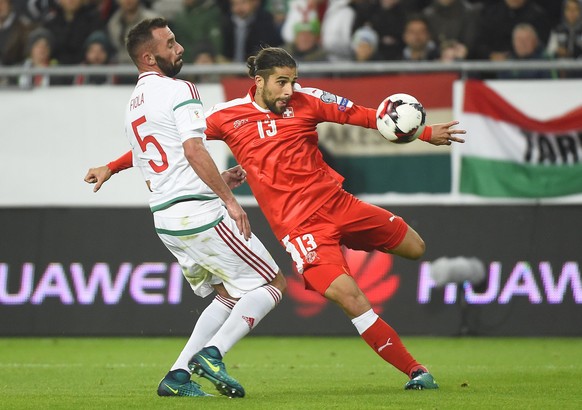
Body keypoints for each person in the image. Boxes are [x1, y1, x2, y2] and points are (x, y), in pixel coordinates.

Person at [89, 46, 466, 390]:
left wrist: (425, 132)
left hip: (340, 205)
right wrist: (112, 166)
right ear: (259, 82)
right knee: (351, 298)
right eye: (281, 82)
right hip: (303, 232)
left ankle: (344, 243)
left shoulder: (309, 101)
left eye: (293, 81)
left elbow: (366, 116)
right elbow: (170, 142)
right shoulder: (226, 117)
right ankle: (416, 371)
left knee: (416, 247)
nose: (289, 90)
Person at [84, 18, 286, 398]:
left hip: (167, 219)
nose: (179, 49)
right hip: (201, 214)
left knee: (228, 292)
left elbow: (166, 160)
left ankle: (177, 377)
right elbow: (194, 149)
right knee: (272, 283)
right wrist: (229, 201)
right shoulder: (179, 89)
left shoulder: (132, 107)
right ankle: (214, 354)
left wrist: (111, 166)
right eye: (171, 43)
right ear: (149, 56)